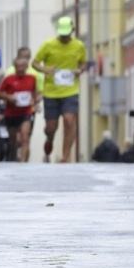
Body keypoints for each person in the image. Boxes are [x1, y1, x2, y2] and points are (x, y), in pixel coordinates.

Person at [32, 16, 87, 163]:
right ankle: (49, 137)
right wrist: (46, 70)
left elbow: (83, 64)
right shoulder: (48, 45)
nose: (64, 37)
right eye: (61, 35)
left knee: (70, 121)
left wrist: (79, 70)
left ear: (72, 31)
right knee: (51, 127)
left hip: (70, 90)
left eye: (66, 34)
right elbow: (35, 63)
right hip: (51, 92)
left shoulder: (79, 46)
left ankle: (65, 156)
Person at [0, 57, 38, 162]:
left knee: (24, 137)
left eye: (22, 66)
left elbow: (35, 92)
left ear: (26, 67)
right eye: (17, 66)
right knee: (13, 140)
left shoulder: (32, 78)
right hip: (11, 113)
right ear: (14, 67)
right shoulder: (8, 79)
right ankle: (14, 159)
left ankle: (23, 162)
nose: (20, 69)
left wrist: (35, 101)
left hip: (26, 112)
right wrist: (8, 97)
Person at [5, 46, 45, 140]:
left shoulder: (35, 73)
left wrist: (37, 101)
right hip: (13, 109)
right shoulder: (10, 71)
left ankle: (23, 154)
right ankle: (14, 153)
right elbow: (4, 90)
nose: (25, 59)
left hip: (28, 109)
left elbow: (41, 91)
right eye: (23, 57)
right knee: (14, 138)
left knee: (25, 136)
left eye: (27, 57)